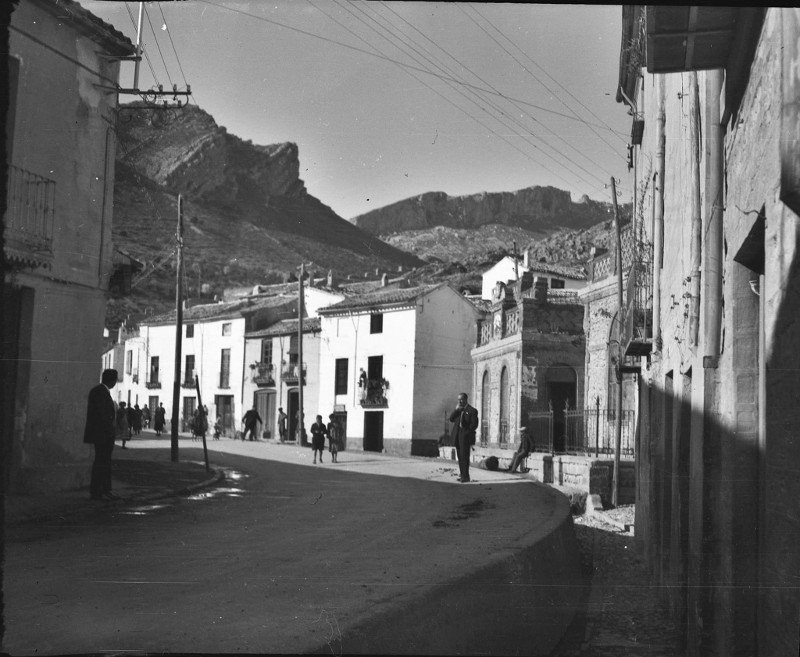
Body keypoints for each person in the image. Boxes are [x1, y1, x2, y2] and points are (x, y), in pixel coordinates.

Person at [83, 369, 119, 500]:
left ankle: (105, 490)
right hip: (102, 434)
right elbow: (101, 415)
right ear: (112, 380)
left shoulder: (100, 391)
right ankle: (98, 492)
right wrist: (109, 431)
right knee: (101, 463)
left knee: (104, 462)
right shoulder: (100, 392)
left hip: (103, 434)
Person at [449, 392, 479, 483]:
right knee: (460, 457)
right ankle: (462, 475)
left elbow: (474, 425)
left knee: (465, 457)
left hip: (465, 438)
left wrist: (466, 433)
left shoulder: (472, 410)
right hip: (457, 437)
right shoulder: (458, 410)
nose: (460, 401)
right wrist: (456, 410)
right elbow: (451, 419)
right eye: (458, 400)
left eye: (461, 399)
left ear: (466, 400)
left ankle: (466, 477)